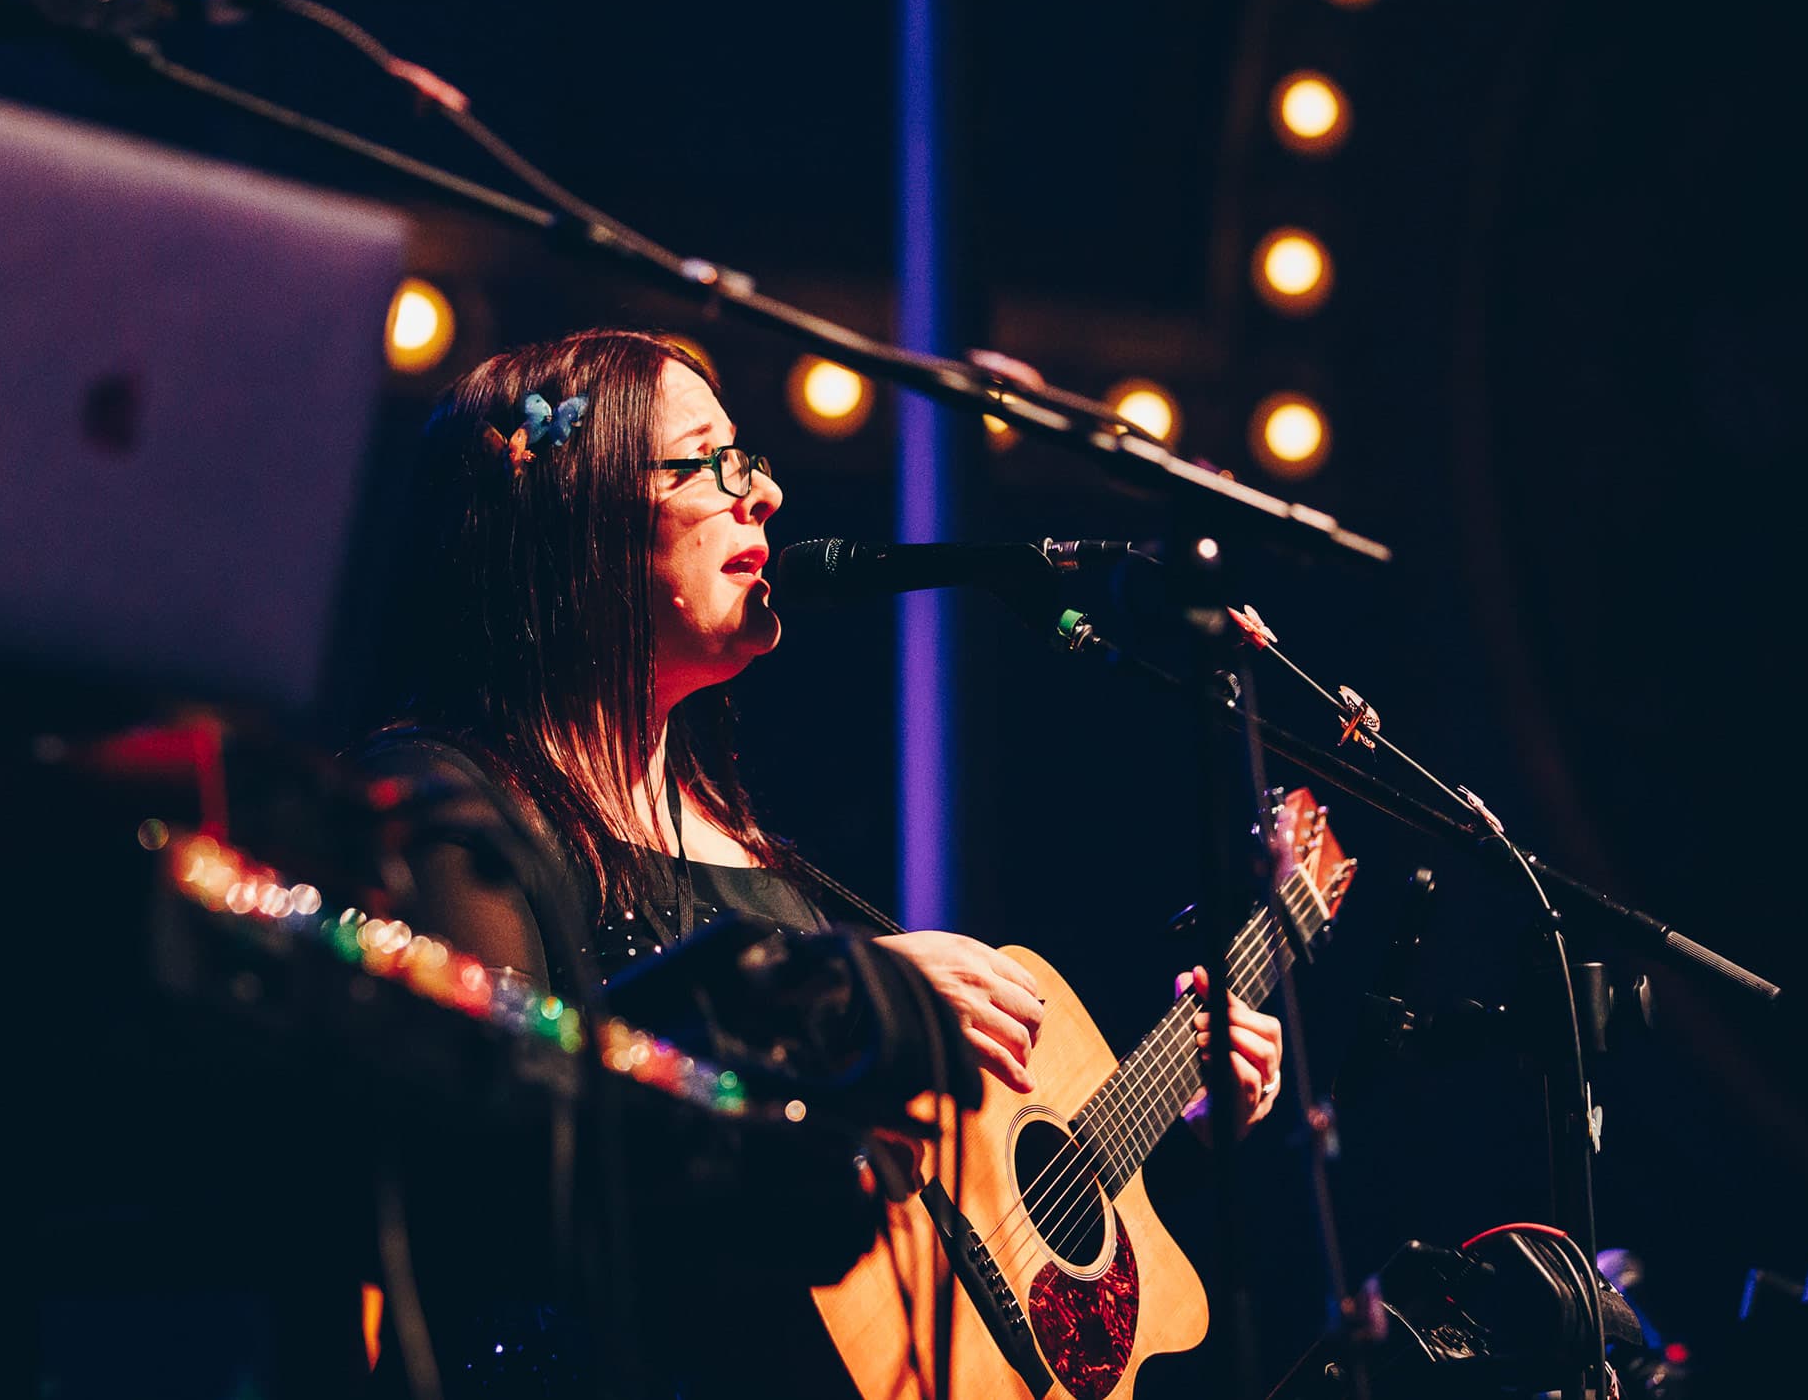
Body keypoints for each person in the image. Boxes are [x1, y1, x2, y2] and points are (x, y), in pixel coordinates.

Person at [364, 328, 1284, 1395]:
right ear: (573, 511)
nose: (760, 492)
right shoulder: (442, 801)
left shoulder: (760, 856)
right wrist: (849, 996)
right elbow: (496, 1154)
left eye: (746, 457)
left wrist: (1174, 1124)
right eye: (707, 461)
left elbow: (942, 1239)